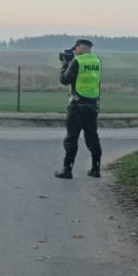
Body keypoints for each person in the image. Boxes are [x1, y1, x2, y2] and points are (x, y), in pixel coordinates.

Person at [55, 38, 102, 179]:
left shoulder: (77, 62)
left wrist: (65, 64)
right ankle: (96, 168)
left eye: (76, 48)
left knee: (71, 138)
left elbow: (64, 80)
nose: (75, 51)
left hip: (77, 106)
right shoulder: (97, 61)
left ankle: (67, 169)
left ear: (81, 47)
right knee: (92, 137)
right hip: (92, 105)